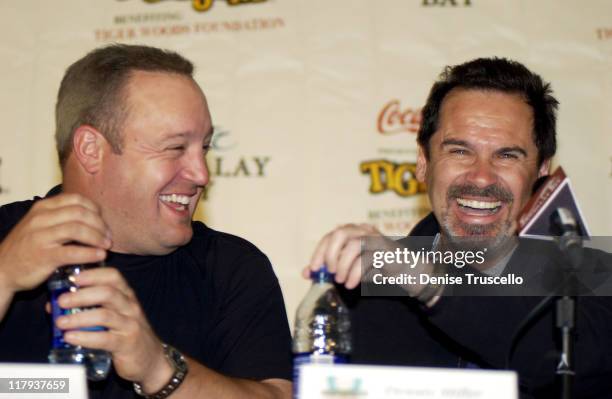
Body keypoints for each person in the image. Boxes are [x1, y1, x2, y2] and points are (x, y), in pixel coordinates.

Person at [304, 58, 612, 398]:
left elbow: (573, 363)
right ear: (423, 163)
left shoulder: (594, 278)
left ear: (541, 170)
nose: (481, 177)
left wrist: (426, 279)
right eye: (460, 151)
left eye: (507, 155)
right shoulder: (359, 294)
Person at [0, 44, 292, 399]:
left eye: (205, 149)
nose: (201, 174)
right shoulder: (5, 239)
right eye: (174, 148)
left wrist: (159, 367)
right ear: (91, 149)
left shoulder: (230, 267)